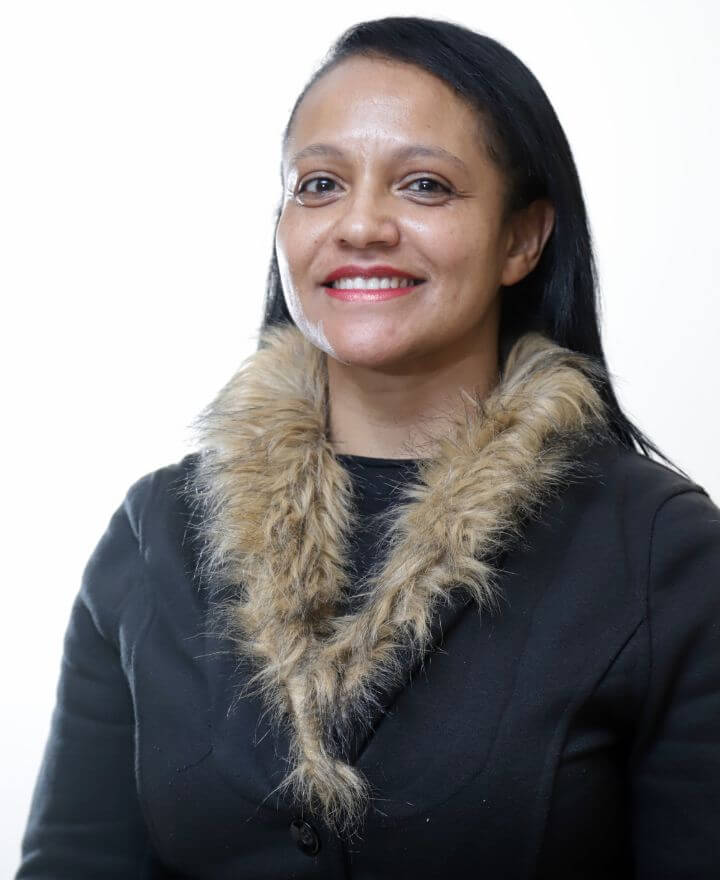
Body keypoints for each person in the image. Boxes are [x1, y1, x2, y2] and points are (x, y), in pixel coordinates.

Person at [15, 15, 720, 879]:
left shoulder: (661, 549)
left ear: (522, 238)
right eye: (319, 184)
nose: (360, 225)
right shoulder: (155, 530)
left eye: (424, 185)